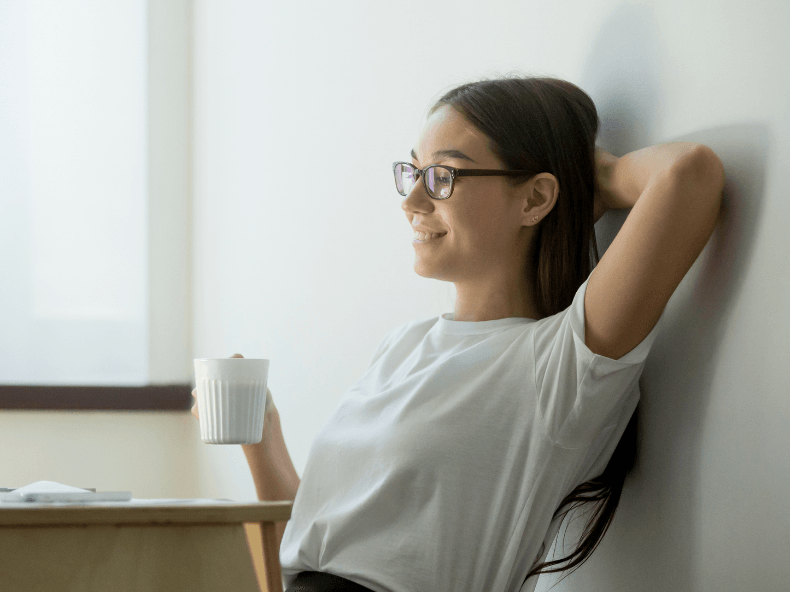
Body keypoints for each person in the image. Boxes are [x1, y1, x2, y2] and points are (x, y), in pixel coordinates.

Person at [191, 76, 724, 592]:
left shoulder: (560, 365)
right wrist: (263, 439)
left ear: (535, 200)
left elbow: (689, 173)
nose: (412, 202)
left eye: (443, 177)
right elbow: (308, 560)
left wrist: (593, 179)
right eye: (413, 173)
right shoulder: (402, 346)